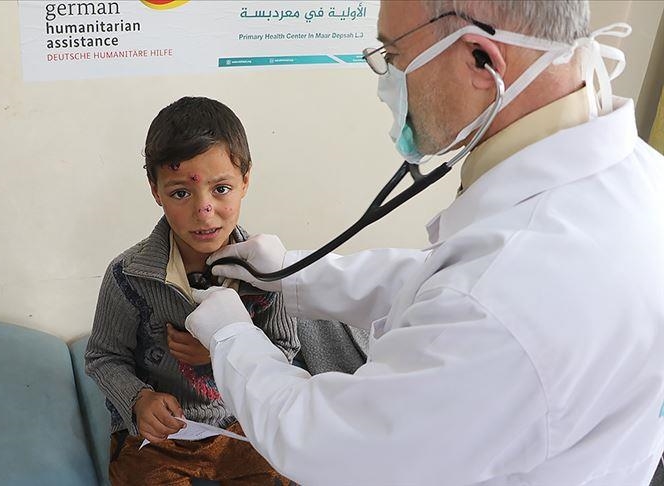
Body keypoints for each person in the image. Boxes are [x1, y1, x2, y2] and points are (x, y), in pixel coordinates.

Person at [183, 1, 664, 484]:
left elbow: (333, 445)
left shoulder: (507, 295)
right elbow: (441, 281)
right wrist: (294, 272)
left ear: (481, 60)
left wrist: (231, 338)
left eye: (393, 56)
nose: (386, 84)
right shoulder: (637, 177)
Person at [84, 96, 298, 485]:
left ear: (245, 181)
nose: (204, 210)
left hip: (243, 426)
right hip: (161, 437)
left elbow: (285, 346)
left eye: (222, 188)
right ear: (155, 190)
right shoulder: (129, 276)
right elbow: (103, 356)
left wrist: (225, 351)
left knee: (289, 471)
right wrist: (138, 400)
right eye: (181, 193)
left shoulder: (268, 270)